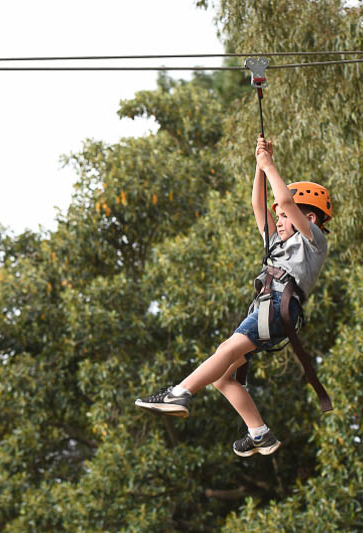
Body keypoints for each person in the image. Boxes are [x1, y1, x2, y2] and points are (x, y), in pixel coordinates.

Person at [135, 135, 332, 457]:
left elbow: (284, 202)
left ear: (308, 219)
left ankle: (180, 392)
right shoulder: (277, 245)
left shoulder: (313, 242)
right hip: (267, 310)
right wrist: (259, 167)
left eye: (284, 217)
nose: (279, 221)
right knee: (224, 376)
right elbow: (260, 205)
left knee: (227, 349)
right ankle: (260, 433)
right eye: (280, 218)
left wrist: (270, 165)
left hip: (279, 309)